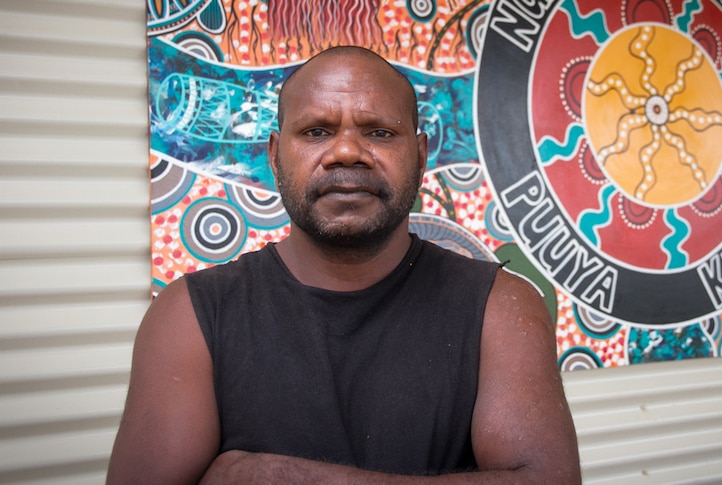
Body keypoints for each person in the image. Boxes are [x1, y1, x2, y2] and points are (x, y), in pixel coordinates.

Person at [107, 46, 580, 484]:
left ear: (419, 156)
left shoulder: (500, 306)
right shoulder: (190, 316)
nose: (347, 152)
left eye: (379, 131)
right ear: (275, 156)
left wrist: (283, 478)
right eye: (316, 131)